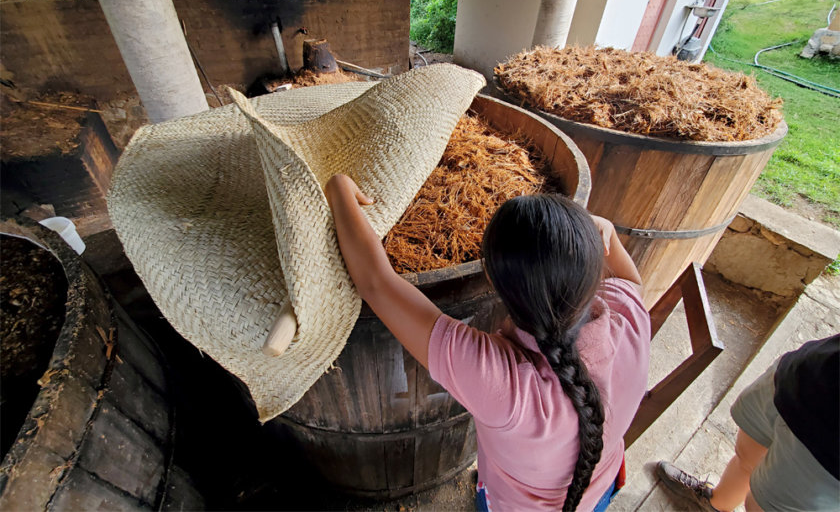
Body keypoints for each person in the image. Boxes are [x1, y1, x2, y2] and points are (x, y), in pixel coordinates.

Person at [325, 174, 651, 511]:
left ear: (494, 283)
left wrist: (338, 191)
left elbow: (376, 283)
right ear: (594, 267)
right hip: (600, 488)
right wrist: (605, 229)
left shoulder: (504, 385)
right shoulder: (630, 320)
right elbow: (630, 280)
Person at [657, 333, 839, 512]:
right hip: (803, 375)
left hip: (825, 455)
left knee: (759, 506)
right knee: (746, 456)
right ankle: (713, 505)